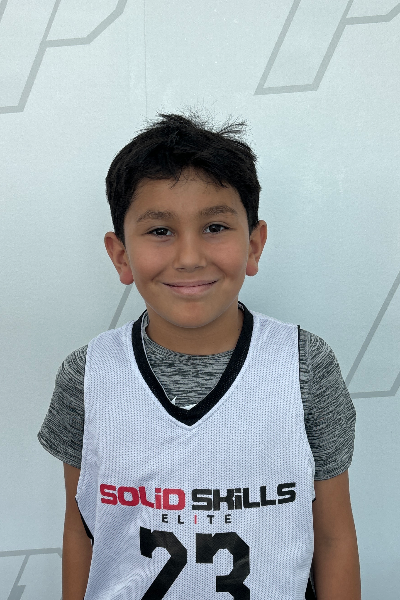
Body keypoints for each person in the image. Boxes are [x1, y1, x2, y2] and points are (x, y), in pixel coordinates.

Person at [38, 111, 361, 599]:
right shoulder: (88, 375)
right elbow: (83, 529)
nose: (189, 257)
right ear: (121, 255)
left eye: (214, 226)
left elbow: (333, 539)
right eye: (160, 231)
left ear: (254, 245)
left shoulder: (303, 366)